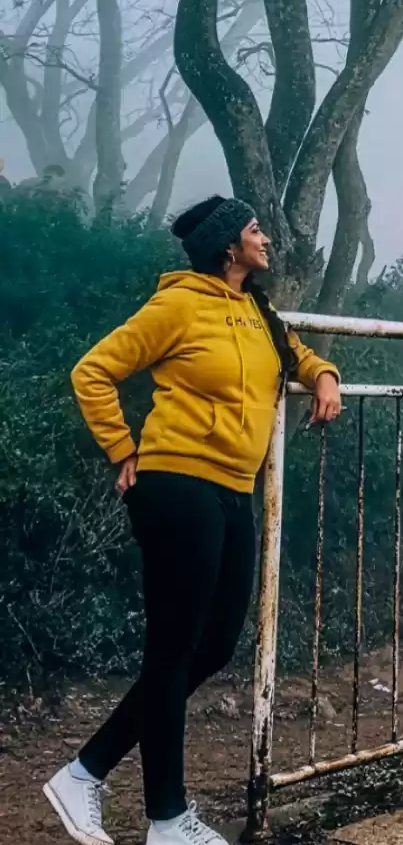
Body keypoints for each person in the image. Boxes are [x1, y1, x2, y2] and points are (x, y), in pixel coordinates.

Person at [43, 195, 342, 845]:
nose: (266, 239)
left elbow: (300, 357)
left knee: (214, 646)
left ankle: (85, 771)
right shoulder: (178, 305)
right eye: (256, 230)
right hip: (177, 484)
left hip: (235, 490)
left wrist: (325, 378)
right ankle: (167, 820)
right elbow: (93, 371)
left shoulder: (259, 313)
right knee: (174, 650)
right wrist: (123, 449)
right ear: (228, 246)